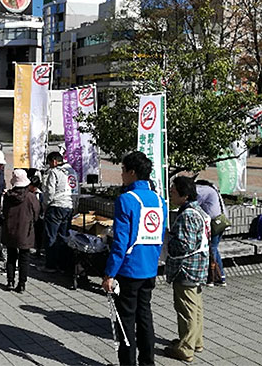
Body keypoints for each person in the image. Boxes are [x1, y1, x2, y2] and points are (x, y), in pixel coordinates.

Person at [101, 151, 167, 366]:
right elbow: (159, 235)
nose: (121, 174)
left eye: (122, 170)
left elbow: (120, 241)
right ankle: (148, 363)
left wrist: (109, 273)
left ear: (131, 172)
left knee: (125, 321)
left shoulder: (126, 200)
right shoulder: (159, 199)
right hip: (150, 267)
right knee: (145, 317)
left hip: (128, 269)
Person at [164, 176, 210, 363]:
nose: (171, 195)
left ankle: (185, 348)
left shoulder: (188, 215)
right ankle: (195, 340)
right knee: (195, 307)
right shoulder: (197, 211)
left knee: (186, 310)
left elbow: (184, 245)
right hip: (196, 267)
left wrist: (168, 239)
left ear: (184, 195)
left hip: (186, 269)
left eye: (174, 192)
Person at [3, 169, 40, 293]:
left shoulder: (8, 196)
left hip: (10, 229)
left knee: (11, 256)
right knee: (24, 258)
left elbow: (4, 212)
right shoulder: (31, 197)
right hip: (26, 230)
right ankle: (22, 284)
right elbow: (36, 214)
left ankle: (10, 281)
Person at [40, 152, 73, 273]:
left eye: (49, 163)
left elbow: (49, 192)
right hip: (68, 206)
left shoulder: (54, 172)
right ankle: (63, 265)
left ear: (54, 161)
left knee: (51, 236)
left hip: (56, 206)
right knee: (64, 237)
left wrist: (45, 205)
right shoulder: (71, 171)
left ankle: (51, 265)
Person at [195, 180, 227, 286]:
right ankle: (220, 276)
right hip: (220, 222)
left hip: (214, 224)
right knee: (214, 249)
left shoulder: (203, 190)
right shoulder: (212, 189)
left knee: (211, 250)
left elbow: (195, 204)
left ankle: (214, 278)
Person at [29, 175, 45, 257]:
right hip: (29, 217)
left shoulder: (40, 194)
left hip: (38, 217)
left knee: (39, 234)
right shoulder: (27, 193)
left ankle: (38, 250)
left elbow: (42, 206)